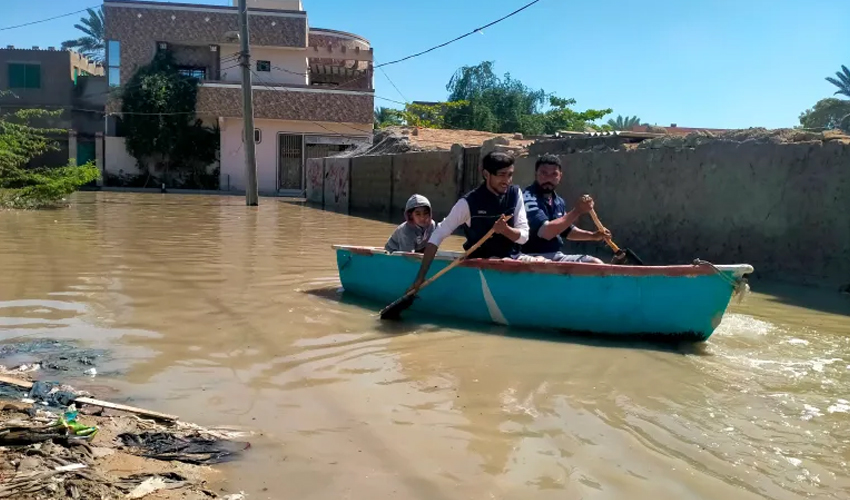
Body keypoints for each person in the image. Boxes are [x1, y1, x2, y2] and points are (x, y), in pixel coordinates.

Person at [407, 151, 529, 291]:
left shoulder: (515, 194)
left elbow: (524, 237)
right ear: (486, 174)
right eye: (501, 175)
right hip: (482, 262)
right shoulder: (468, 203)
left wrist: (506, 230)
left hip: (513, 258)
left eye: (510, 175)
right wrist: (420, 277)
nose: (507, 181)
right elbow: (437, 235)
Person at [521, 154, 611, 264]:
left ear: (560, 176)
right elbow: (546, 232)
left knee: (595, 264)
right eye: (544, 173)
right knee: (544, 264)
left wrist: (593, 236)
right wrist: (577, 211)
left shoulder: (558, 201)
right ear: (536, 174)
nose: (549, 178)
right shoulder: (528, 197)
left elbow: (565, 230)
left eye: (554, 174)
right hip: (531, 256)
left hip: (555, 255)